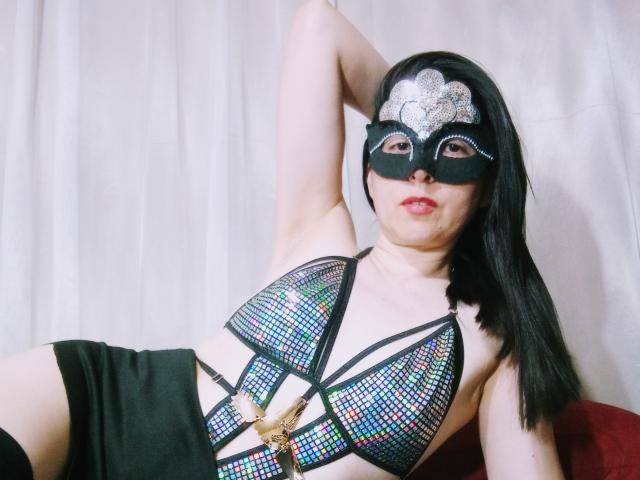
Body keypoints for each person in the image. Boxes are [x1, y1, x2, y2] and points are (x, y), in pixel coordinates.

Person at [0, 1, 581, 478]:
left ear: (489, 183)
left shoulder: (497, 341)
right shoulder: (317, 232)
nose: (420, 170)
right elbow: (318, 27)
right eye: (398, 145)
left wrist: (456, 114)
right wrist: (417, 98)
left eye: (453, 148)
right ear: (370, 171)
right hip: (109, 404)